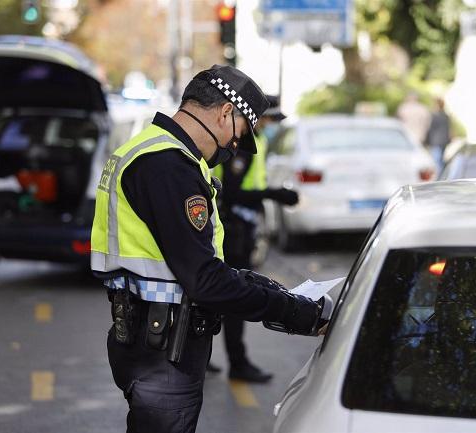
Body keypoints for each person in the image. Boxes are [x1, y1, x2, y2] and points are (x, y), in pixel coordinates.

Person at [90, 65, 327, 433]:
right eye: (239, 135)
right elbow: (205, 281)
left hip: (148, 339)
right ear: (225, 112)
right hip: (164, 350)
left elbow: (189, 263)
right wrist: (298, 313)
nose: (234, 148)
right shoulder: (168, 166)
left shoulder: (150, 151)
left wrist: (259, 285)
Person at [208, 95, 297, 382]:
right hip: (232, 228)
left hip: (240, 226)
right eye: (270, 119)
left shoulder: (253, 143)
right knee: (233, 296)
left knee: (219, 296)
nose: (271, 125)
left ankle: (203, 355)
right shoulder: (243, 148)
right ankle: (237, 362)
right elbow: (232, 193)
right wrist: (274, 194)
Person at [426, 97, 452, 172]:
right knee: (440, 160)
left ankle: (439, 177)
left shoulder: (435, 116)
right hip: (444, 141)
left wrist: (427, 140)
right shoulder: (446, 116)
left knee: (436, 161)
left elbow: (431, 128)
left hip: (436, 141)